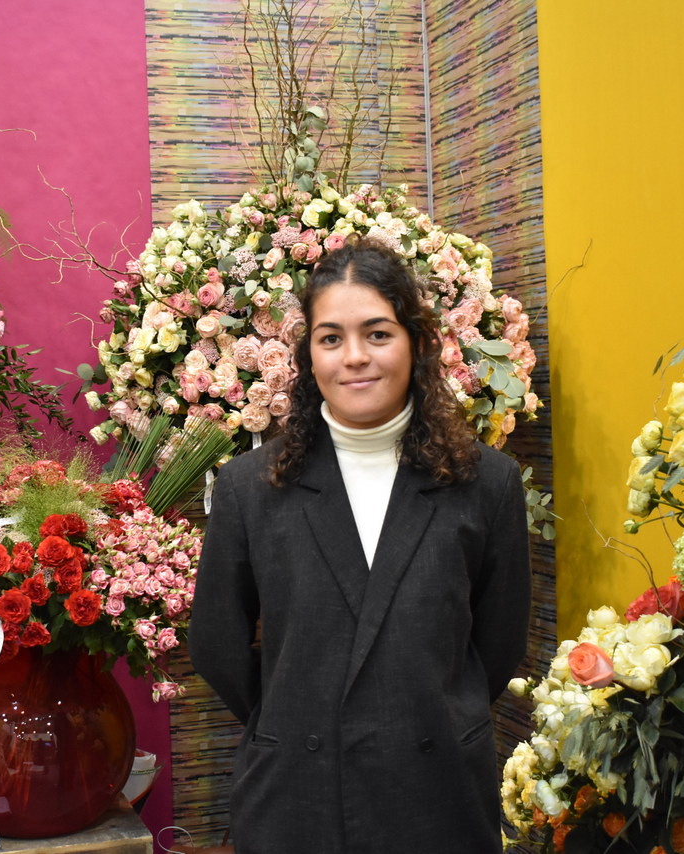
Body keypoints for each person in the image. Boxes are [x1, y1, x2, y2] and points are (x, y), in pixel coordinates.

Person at [189, 239, 531, 853]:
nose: (354, 358)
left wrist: (429, 712)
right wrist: (295, 714)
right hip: (298, 789)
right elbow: (217, 643)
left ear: (416, 343)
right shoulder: (251, 487)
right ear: (308, 356)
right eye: (331, 338)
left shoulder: (486, 483)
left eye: (377, 334)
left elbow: (497, 644)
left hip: (438, 791)